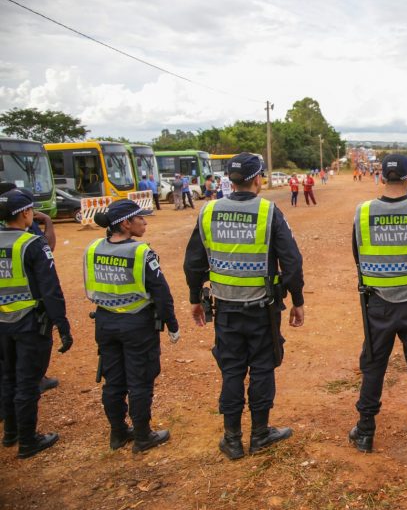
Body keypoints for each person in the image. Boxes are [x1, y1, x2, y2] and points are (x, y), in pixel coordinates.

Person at [184, 152, 305, 460]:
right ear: (255, 179)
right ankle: (261, 433)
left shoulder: (208, 212)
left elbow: (194, 262)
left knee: (232, 370)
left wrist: (194, 298)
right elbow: (291, 261)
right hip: (263, 309)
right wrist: (297, 301)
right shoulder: (268, 211)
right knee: (263, 367)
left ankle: (232, 439)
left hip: (224, 308)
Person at [349, 154, 407, 454]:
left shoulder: (363, 213)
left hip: (376, 303)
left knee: (374, 365)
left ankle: (365, 431)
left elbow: (358, 257)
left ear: (381, 176)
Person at [84, 199, 178, 452]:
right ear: (126, 223)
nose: (145, 222)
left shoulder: (92, 249)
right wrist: (172, 324)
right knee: (140, 381)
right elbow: (161, 292)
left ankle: (117, 433)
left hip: (105, 322)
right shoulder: (140, 252)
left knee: (113, 381)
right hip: (137, 324)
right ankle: (143, 436)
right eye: (140, 218)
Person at [0, 188, 73, 458]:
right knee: (28, 382)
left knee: (8, 378)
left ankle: (11, 433)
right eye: (30, 210)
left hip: (2, 322)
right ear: (24, 213)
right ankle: (29, 440)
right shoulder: (32, 243)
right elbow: (50, 288)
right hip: (29, 323)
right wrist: (62, 326)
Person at [0, 183, 60, 394]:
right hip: (27, 314)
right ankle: (24, 424)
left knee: (8, 375)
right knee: (25, 379)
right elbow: (47, 250)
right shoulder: (27, 235)